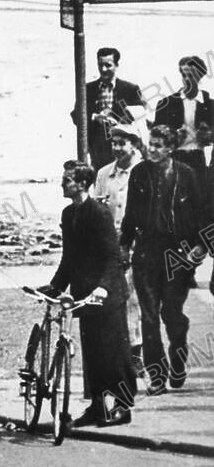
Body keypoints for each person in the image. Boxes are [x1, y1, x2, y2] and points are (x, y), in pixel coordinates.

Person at [40, 161, 136, 427]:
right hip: (85, 294)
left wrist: (103, 288)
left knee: (114, 352)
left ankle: (123, 406)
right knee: (93, 353)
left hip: (108, 293)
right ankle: (97, 406)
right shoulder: (68, 214)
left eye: (67, 179)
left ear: (82, 184)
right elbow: (69, 257)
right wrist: (55, 287)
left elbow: (112, 256)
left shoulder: (99, 213)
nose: (62, 183)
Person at [120, 125, 211, 394]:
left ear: (171, 148)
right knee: (148, 318)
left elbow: (203, 213)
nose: (153, 149)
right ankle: (157, 376)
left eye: (159, 145)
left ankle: (178, 358)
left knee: (172, 314)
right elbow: (131, 213)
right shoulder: (139, 173)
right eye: (151, 143)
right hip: (147, 251)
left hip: (177, 253)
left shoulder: (188, 175)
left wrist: (202, 246)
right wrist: (125, 244)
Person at [93, 125, 144, 374]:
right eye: (113, 142)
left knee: (134, 299)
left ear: (133, 144)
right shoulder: (104, 174)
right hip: (111, 246)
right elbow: (100, 207)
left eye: (122, 143)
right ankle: (120, 354)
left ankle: (136, 353)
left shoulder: (143, 170)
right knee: (115, 299)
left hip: (139, 244)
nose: (116, 148)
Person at [73, 47, 146, 171]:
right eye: (100, 65)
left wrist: (116, 119)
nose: (103, 69)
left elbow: (139, 115)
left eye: (108, 65)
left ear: (117, 65)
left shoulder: (130, 89)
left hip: (124, 146)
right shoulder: (87, 89)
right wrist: (95, 117)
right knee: (100, 180)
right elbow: (76, 115)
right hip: (97, 146)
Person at [151, 55, 214, 175]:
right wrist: (173, 136)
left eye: (191, 75)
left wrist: (208, 135)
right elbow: (156, 136)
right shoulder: (166, 104)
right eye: (183, 75)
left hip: (198, 157)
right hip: (175, 157)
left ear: (200, 76)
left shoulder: (210, 105)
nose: (186, 79)